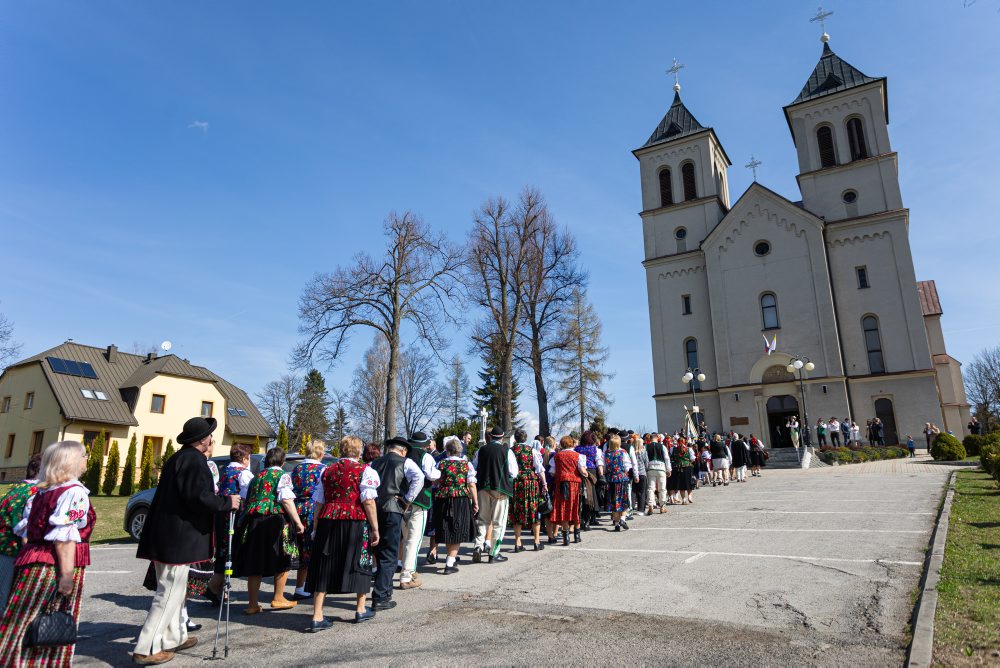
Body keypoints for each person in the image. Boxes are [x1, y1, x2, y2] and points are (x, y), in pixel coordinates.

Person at [134, 417, 239, 665]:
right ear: (202, 440)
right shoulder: (193, 460)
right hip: (176, 539)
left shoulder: (180, 458)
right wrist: (228, 502)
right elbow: (198, 498)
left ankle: (174, 637)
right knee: (169, 592)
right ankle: (146, 647)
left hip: (170, 536)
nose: (213, 440)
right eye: (210, 436)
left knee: (176, 591)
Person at [0, 442, 92, 667]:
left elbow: (25, 533)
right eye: (83, 455)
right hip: (54, 565)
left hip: (32, 560)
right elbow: (64, 539)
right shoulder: (74, 492)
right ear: (71, 461)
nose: (86, 459)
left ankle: (13, 660)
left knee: (22, 618)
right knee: (50, 620)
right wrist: (66, 576)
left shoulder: (41, 491)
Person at [307, 436, 381, 630]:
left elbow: (319, 502)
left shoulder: (326, 470)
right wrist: (375, 528)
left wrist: (315, 527)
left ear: (341, 450)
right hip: (355, 519)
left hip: (328, 519)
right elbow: (368, 501)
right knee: (360, 560)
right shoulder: (365, 470)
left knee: (323, 563)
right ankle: (360, 609)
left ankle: (317, 615)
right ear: (358, 451)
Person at [234, 447, 305, 614]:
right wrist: (297, 522)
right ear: (282, 461)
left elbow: (246, 497)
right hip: (275, 520)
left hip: (252, 521)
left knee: (255, 559)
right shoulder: (282, 476)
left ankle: (252, 604)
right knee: (282, 556)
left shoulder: (255, 477)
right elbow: (286, 500)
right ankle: (278, 598)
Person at [370, 437, 423, 610]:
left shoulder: (375, 463)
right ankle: (381, 596)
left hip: (375, 508)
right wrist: (408, 499)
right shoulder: (405, 462)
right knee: (390, 553)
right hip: (393, 508)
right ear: (403, 451)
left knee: (377, 551)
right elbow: (419, 478)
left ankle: (383, 590)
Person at [206, 443, 253, 602]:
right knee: (231, 551)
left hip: (221, 513)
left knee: (223, 550)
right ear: (245, 458)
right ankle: (213, 587)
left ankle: (221, 591)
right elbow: (248, 495)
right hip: (235, 515)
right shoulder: (244, 473)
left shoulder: (225, 470)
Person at [0, 454, 41, 614]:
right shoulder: (35, 492)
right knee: (7, 599)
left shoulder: (15, 489)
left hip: (5, 548)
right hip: (15, 551)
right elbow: (26, 527)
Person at [398, 432, 439, 591]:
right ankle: (407, 575)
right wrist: (439, 473)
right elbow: (430, 474)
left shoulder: (404, 454)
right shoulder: (426, 456)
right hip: (419, 500)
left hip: (402, 501)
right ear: (425, 444)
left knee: (406, 537)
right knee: (414, 539)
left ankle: (408, 569)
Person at [472, 427, 518, 563]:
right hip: (500, 490)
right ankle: (494, 553)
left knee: (482, 520)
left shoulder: (480, 451)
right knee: (499, 522)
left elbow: (474, 468)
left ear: (491, 437)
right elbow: (514, 472)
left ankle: (478, 546)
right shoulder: (507, 451)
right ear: (502, 437)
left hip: (482, 489)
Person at [433, 438, 479, 574]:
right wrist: (475, 502)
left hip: (443, 498)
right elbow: (471, 484)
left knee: (447, 528)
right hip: (460, 499)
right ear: (459, 450)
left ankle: (450, 558)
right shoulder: (466, 464)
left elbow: (435, 480)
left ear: (447, 451)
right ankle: (450, 562)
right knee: (458, 528)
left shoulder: (441, 463)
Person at [291, 441, 327, 600]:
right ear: (320, 453)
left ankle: (301, 586)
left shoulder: (296, 468)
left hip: (296, 509)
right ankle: (306, 587)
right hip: (314, 509)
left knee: (298, 548)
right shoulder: (323, 469)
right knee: (312, 549)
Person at [509, 429, 547, 552]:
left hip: (516, 483)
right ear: (525, 439)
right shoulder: (532, 451)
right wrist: (545, 484)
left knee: (517, 510)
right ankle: (536, 542)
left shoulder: (511, 451)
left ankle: (518, 542)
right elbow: (540, 469)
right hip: (531, 483)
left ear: (515, 439)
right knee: (534, 509)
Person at [549, 436, 588, 546]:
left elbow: (552, 472)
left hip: (561, 484)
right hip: (574, 485)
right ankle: (577, 536)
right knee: (575, 507)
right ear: (572, 443)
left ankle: (566, 537)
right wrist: (586, 474)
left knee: (563, 509)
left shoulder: (557, 456)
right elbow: (582, 471)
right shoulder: (578, 456)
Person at [574, 431, 605, 531]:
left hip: (579, 472)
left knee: (581, 496)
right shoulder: (596, 450)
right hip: (591, 472)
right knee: (591, 496)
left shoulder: (577, 449)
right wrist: (601, 475)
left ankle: (582, 520)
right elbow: (599, 463)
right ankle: (588, 521)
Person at [604, 435, 633, 531]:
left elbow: (604, 468)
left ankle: (616, 524)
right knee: (623, 500)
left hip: (611, 480)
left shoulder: (606, 453)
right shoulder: (623, 452)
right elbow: (627, 466)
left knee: (614, 502)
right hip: (622, 479)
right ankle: (623, 519)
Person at [644, 435, 670, 514]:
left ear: (650, 439)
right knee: (662, 488)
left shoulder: (646, 447)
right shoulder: (662, 447)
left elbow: (645, 458)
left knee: (651, 488)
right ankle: (662, 506)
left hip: (651, 468)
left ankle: (651, 505)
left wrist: (646, 468)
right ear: (657, 439)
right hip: (661, 468)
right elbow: (666, 458)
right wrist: (669, 469)